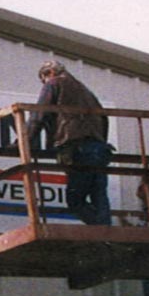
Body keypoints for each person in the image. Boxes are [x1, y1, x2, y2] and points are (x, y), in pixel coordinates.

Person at [26, 60, 113, 226]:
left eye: (43, 79)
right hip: (99, 148)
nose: (44, 83)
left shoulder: (54, 83)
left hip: (78, 148)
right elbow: (104, 118)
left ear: (49, 73)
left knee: (75, 201)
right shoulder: (86, 91)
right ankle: (107, 233)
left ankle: (101, 229)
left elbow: (39, 115)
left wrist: (25, 140)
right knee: (99, 197)